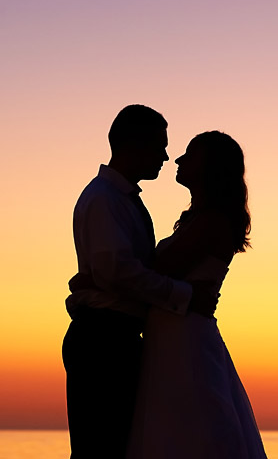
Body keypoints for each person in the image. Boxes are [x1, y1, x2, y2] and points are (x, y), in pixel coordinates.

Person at [62, 105, 219, 459]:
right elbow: (119, 273)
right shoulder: (105, 199)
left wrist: (95, 280)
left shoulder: (121, 199)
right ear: (134, 144)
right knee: (101, 449)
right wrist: (186, 296)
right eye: (159, 146)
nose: (166, 156)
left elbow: (118, 271)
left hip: (114, 337)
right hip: (104, 340)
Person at [127, 131, 268, 459]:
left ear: (211, 167)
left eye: (190, 154)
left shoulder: (212, 223)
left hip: (186, 338)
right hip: (174, 334)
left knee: (192, 430)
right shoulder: (200, 221)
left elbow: (154, 271)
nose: (178, 160)